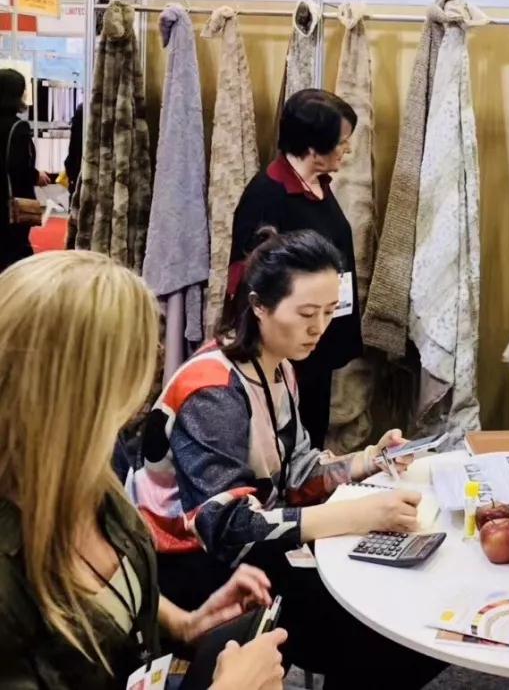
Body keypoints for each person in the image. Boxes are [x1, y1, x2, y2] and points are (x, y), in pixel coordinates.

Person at [133, 227, 445, 689]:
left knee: (391, 605)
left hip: (251, 543)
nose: (319, 328)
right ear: (258, 305)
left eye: (329, 311)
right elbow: (225, 528)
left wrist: (368, 459)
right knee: (381, 634)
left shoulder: (278, 367)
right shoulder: (213, 391)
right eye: (305, 314)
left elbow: (296, 472)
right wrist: (357, 514)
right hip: (191, 567)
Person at [0, 251, 288, 689]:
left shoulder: (90, 475)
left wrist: (186, 624)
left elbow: (116, 588)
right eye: (137, 358)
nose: (155, 361)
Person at [227, 88, 361, 450]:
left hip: (319, 337)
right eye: (342, 142)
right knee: (287, 437)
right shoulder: (267, 196)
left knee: (314, 430)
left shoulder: (317, 184)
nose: (348, 149)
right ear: (313, 146)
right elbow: (249, 280)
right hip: (288, 350)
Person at [0, 68, 49, 272]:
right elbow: (20, 168)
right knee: (15, 258)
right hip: (11, 207)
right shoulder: (18, 127)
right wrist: (36, 176)